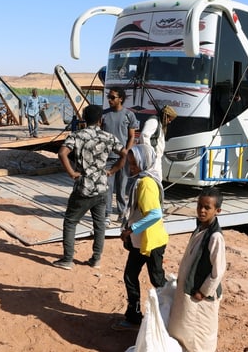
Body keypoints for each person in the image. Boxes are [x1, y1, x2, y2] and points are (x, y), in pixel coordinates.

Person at [53, 105, 126, 270]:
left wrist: (72, 172)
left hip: (83, 187)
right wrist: (112, 170)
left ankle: (68, 259)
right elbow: (124, 154)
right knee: (99, 224)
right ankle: (96, 259)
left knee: (71, 222)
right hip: (102, 187)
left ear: (85, 119)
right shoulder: (108, 136)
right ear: (101, 119)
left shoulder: (77, 136)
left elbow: (62, 153)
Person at [112, 144, 169, 331]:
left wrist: (131, 229)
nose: (131, 167)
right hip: (142, 242)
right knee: (131, 276)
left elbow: (154, 214)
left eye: (135, 163)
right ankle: (134, 315)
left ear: (144, 162)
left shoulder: (146, 184)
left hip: (151, 242)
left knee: (158, 280)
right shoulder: (143, 180)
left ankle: (172, 312)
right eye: (130, 163)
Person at [168, 186, 226, 351]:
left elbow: (218, 271)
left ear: (217, 210)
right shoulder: (201, 228)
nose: (202, 210)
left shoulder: (215, 237)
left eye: (207, 207)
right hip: (190, 290)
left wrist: (204, 291)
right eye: (200, 206)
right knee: (184, 327)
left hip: (200, 295)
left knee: (200, 335)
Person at [102, 87, 139, 225]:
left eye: (112, 97)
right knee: (107, 187)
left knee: (122, 187)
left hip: (123, 158)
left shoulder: (129, 115)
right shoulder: (104, 115)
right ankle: (107, 214)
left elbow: (131, 136)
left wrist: (127, 153)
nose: (110, 100)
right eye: (109, 97)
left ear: (120, 99)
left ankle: (121, 212)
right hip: (108, 158)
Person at [139, 106, 177, 181]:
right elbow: (144, 135)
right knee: (152, 180)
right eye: (169, 119)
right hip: (151, 158)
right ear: (165, 116)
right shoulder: (153, 121)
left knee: (157, 180)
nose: (169, 122)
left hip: (156, 158)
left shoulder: (159, 123)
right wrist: (150, 153)